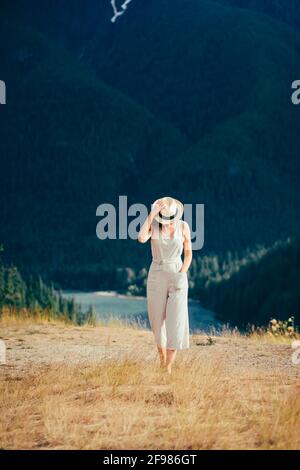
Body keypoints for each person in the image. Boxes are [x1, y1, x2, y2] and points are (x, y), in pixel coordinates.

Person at [138, 196, 192, 373]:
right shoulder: (153, 226)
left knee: (176, 319)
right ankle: (162, 360)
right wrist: (152, 213)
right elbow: (140, 238)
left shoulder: (183, 226)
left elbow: (188, 254)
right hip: (157, 273)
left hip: (177, 271)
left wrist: (182, 273)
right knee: (156, 320)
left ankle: (168, 367)